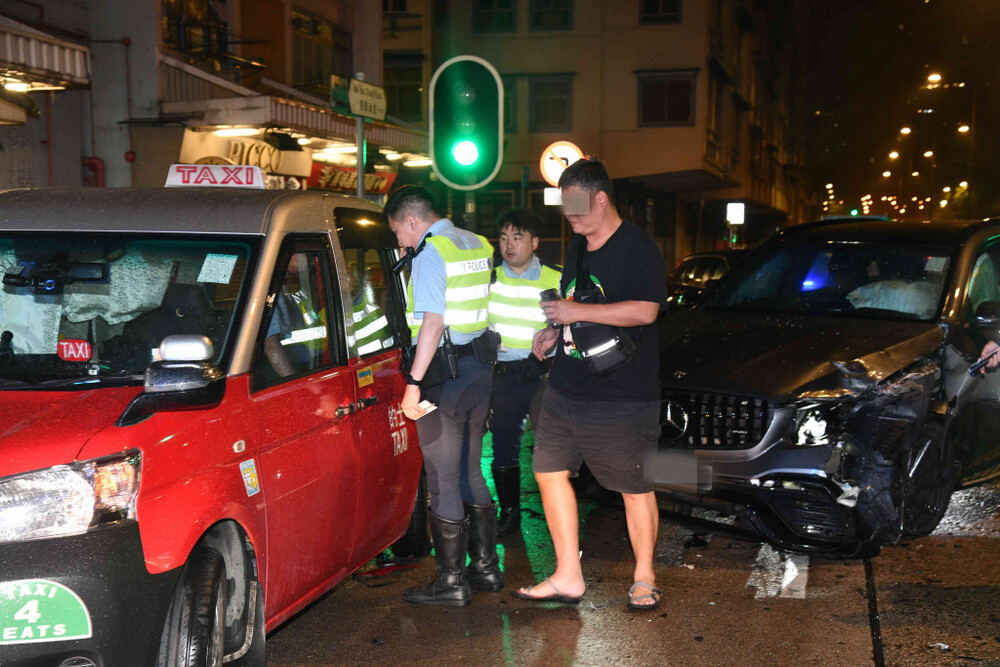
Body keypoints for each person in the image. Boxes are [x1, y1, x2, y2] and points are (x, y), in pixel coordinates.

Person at [512, 158, 666, 611]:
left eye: (577, 206)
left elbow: (645, 311)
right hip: (567, 385)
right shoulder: (578, 247)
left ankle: (644, 576)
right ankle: (567, 575)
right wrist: (552, 332)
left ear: (601, 199)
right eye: (565, 207)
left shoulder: (638, 246)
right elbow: (573, 304)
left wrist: (575, 313)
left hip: (622, 391)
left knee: (633, 484)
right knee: (548, 470)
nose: (570, 216)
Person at [386, 185, 502, 607]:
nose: (400, 240)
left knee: (442, 476)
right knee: (471, 469)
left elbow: (433, 323)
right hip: (479, 371)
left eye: (398, 231)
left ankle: (450, 582)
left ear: (411, 220)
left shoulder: (432, 252)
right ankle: (485, 568)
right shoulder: (476, 242)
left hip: (444, 377)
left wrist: (413, 382)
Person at [487, 208, 561, 537]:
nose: (509, 245)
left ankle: (559, 514)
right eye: (503, 238)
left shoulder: (556, 279)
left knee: (553, 446)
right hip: (504, 374)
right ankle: (510, 515)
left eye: (517, 237)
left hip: (545, 374)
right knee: (504, 445)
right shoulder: (488, 280)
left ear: (534, 242)